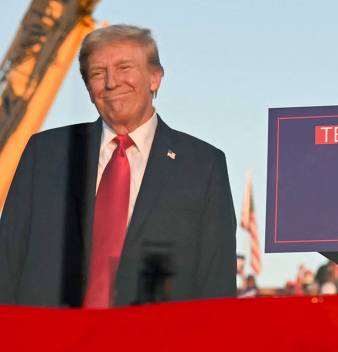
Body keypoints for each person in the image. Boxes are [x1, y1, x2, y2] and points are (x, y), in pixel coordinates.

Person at [0, 25, 236, 307]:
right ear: (89, 89)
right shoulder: (46, 153)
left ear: (154, 78)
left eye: (125, 68)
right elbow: (7, 259)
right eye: (98, 73)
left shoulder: (203, 166)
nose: (111, 82)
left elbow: (216, 283)